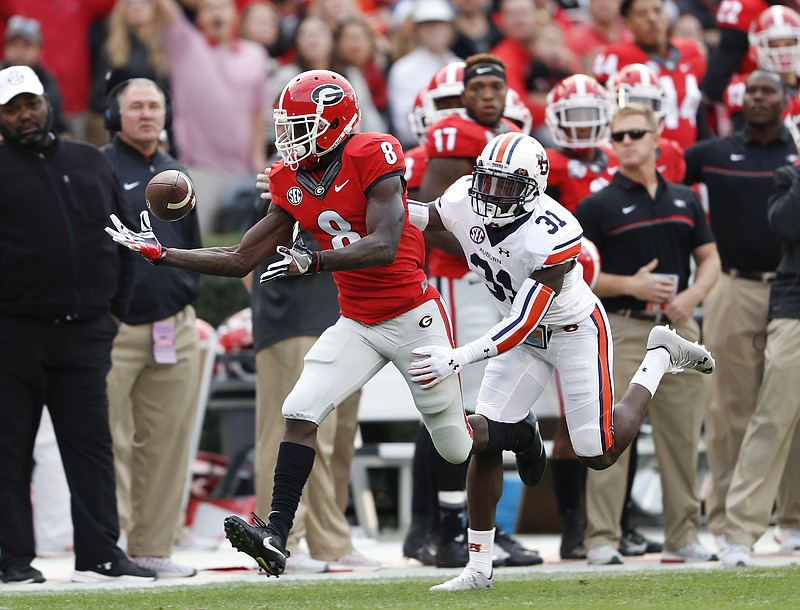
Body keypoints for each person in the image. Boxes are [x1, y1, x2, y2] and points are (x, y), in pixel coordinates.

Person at [105, 68, 548, 579]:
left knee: (455, 444)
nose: (290, 136)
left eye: (301, 124)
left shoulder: (373, 154)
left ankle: (518, 433)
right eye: (286, 125)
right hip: (357, 320)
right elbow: (239, 257)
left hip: (413, 316)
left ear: (336, 122)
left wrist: (312, 261)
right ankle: (275, 535)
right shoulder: (290, 178)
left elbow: (384, 242)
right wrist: (163, 254)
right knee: (300, 409)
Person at [404, 130, 716, 591]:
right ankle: (478, 567)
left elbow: (524, 320)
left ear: (534, 189)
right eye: (486, 182)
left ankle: (659, 354)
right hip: (522, 337)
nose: (490, 196)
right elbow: (423, 217)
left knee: (599, 453)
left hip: (572, 333)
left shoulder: (553, 231)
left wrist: (458, 357)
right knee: (483, 441)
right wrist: (357, 208)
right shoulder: (464, 197)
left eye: (507, 187)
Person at [0, 65, 155, 584]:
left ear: (48, 103)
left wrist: (114, 312)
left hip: (88, 330)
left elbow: (126, 239)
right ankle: (11, 560)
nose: (24, 114)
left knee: (91, 448)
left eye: (31, 103)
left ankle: (101, 556)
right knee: (9, 449)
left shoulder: (89, 160)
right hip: (13, 334)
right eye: (12, 108)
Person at [407, 55, 542, 569]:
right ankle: (450, 527)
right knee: (461, 402)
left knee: (489, 403)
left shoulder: (511, 136)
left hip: (495, 281)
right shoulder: (447, 139)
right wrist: (484, 237)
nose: (487, 96)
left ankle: (467, 526)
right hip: (456, 278)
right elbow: (435, 219)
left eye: (496, 86)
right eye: (477, 87)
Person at [575, 103, 721, 567]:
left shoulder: (684, 198)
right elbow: (572, 273)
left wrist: (694, 294)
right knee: (612, 433)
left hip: (680, 328)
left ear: (657, 138)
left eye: (635, 133)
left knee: (681, 437)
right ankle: (601, 538)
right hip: (624, 326)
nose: (626, 142)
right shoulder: (597, 205)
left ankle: (683, 536)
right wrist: (630, 285)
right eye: (617, 136)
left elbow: (711, 258)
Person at [683, 69, 800, 556]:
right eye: (750, 90)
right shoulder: (714, 152)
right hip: (736, 285)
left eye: (767, 90)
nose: (757, 98)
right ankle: (727, 521)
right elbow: (661, 182)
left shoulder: (794, 153)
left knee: (788, 408)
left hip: (789, 288)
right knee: (730, 410)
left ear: (785, 99)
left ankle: (792, 520)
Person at [101, 78, 202, 579]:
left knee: (165, 442)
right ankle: (105, 544)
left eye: (154, 105)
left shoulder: (175, 173)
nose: (146, 114)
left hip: (174, 326)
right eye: (135, 106)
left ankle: (152, 546)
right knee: (108, 439)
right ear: (114, 115)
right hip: (115, 327)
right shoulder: (99, 167)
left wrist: (188, 299)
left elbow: (198, 248)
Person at [248, 194, 380, 574]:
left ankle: (331, 540)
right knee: (295, 431)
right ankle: (280, 539)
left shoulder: (357, 180)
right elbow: (246, 259)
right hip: (295, 321)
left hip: (349, 319)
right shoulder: (282, 184)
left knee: (340, 439)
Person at [542, 73, 617, 560]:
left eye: (593, 114)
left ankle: (615, 522)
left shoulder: (615, 163)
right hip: (565, 293)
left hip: (609, 295)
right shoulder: (556, 168)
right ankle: (573, 528)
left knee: (607, 415)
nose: (586, 126)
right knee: (573, 421)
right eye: (576, 116)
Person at [720, 156, 800, 567]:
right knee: (773, 417)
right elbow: (786, 225)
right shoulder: (789, 175)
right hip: (795, 310)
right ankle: (739, 532)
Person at [153, 0, 269, 234]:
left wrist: (257, 162)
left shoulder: (256, 54)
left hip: (243, 172)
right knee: (197, 246)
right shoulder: (184, 44)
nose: (217, 12)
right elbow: (164, 7)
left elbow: (258, 112)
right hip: (198, 170)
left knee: (242, 250)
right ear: (198, 17)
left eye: (223, 6)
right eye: (209, 7)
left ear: (235, 16)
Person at [592, 0, 707, 150]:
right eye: (641, 14)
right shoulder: (616, 57)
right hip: (642, 155)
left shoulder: (691, 52)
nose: (652, 19)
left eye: (657, 11)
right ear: (629, 24)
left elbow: (697, 109)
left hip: (689, 154)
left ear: (666, 17)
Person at [387, 0, 459, 149]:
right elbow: (403, 126)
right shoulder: (403, 69)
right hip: (418, 148)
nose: (434, 29)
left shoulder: (460, 65)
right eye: (427, 25)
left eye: (439, 23)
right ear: (417, 30)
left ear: (451, 29)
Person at [1, 15, 69, 136]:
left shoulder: (46, 79)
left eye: (26, 45)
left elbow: (57, 121)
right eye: (14, 45)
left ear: (39, 49)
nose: (19, 52)